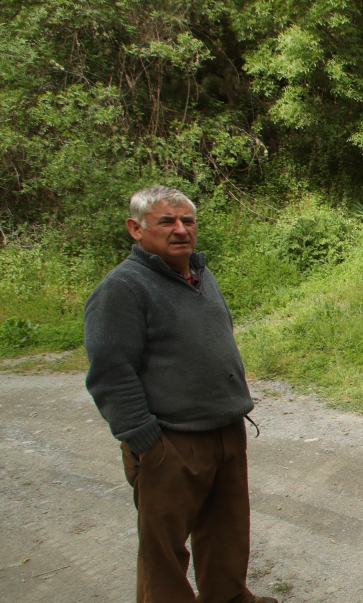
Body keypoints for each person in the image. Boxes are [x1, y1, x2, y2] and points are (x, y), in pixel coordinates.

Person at [84, 185, 276, 603]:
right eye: (166, 221)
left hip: (225, 430)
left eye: (187, 220)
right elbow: (110, 372)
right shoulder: (122, 288)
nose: (180, 230)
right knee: (164, 555)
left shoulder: (200, 274)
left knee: (226, 531)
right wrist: (144, 441)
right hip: (171, 441)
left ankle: (228, 598)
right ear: (136, 229)